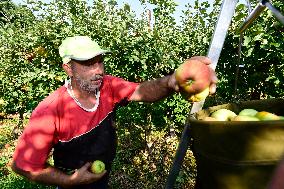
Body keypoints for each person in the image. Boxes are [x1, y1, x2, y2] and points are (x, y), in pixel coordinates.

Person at [11, 35, 217, 189]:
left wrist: (172, 81)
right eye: (88, 63)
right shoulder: (50, 110)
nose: (98, 69)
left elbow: (141, 91)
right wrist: (69, 180)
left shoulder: (107, 87)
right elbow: (22, 165)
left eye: (99, 61)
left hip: (102, 177)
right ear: (68, 68)